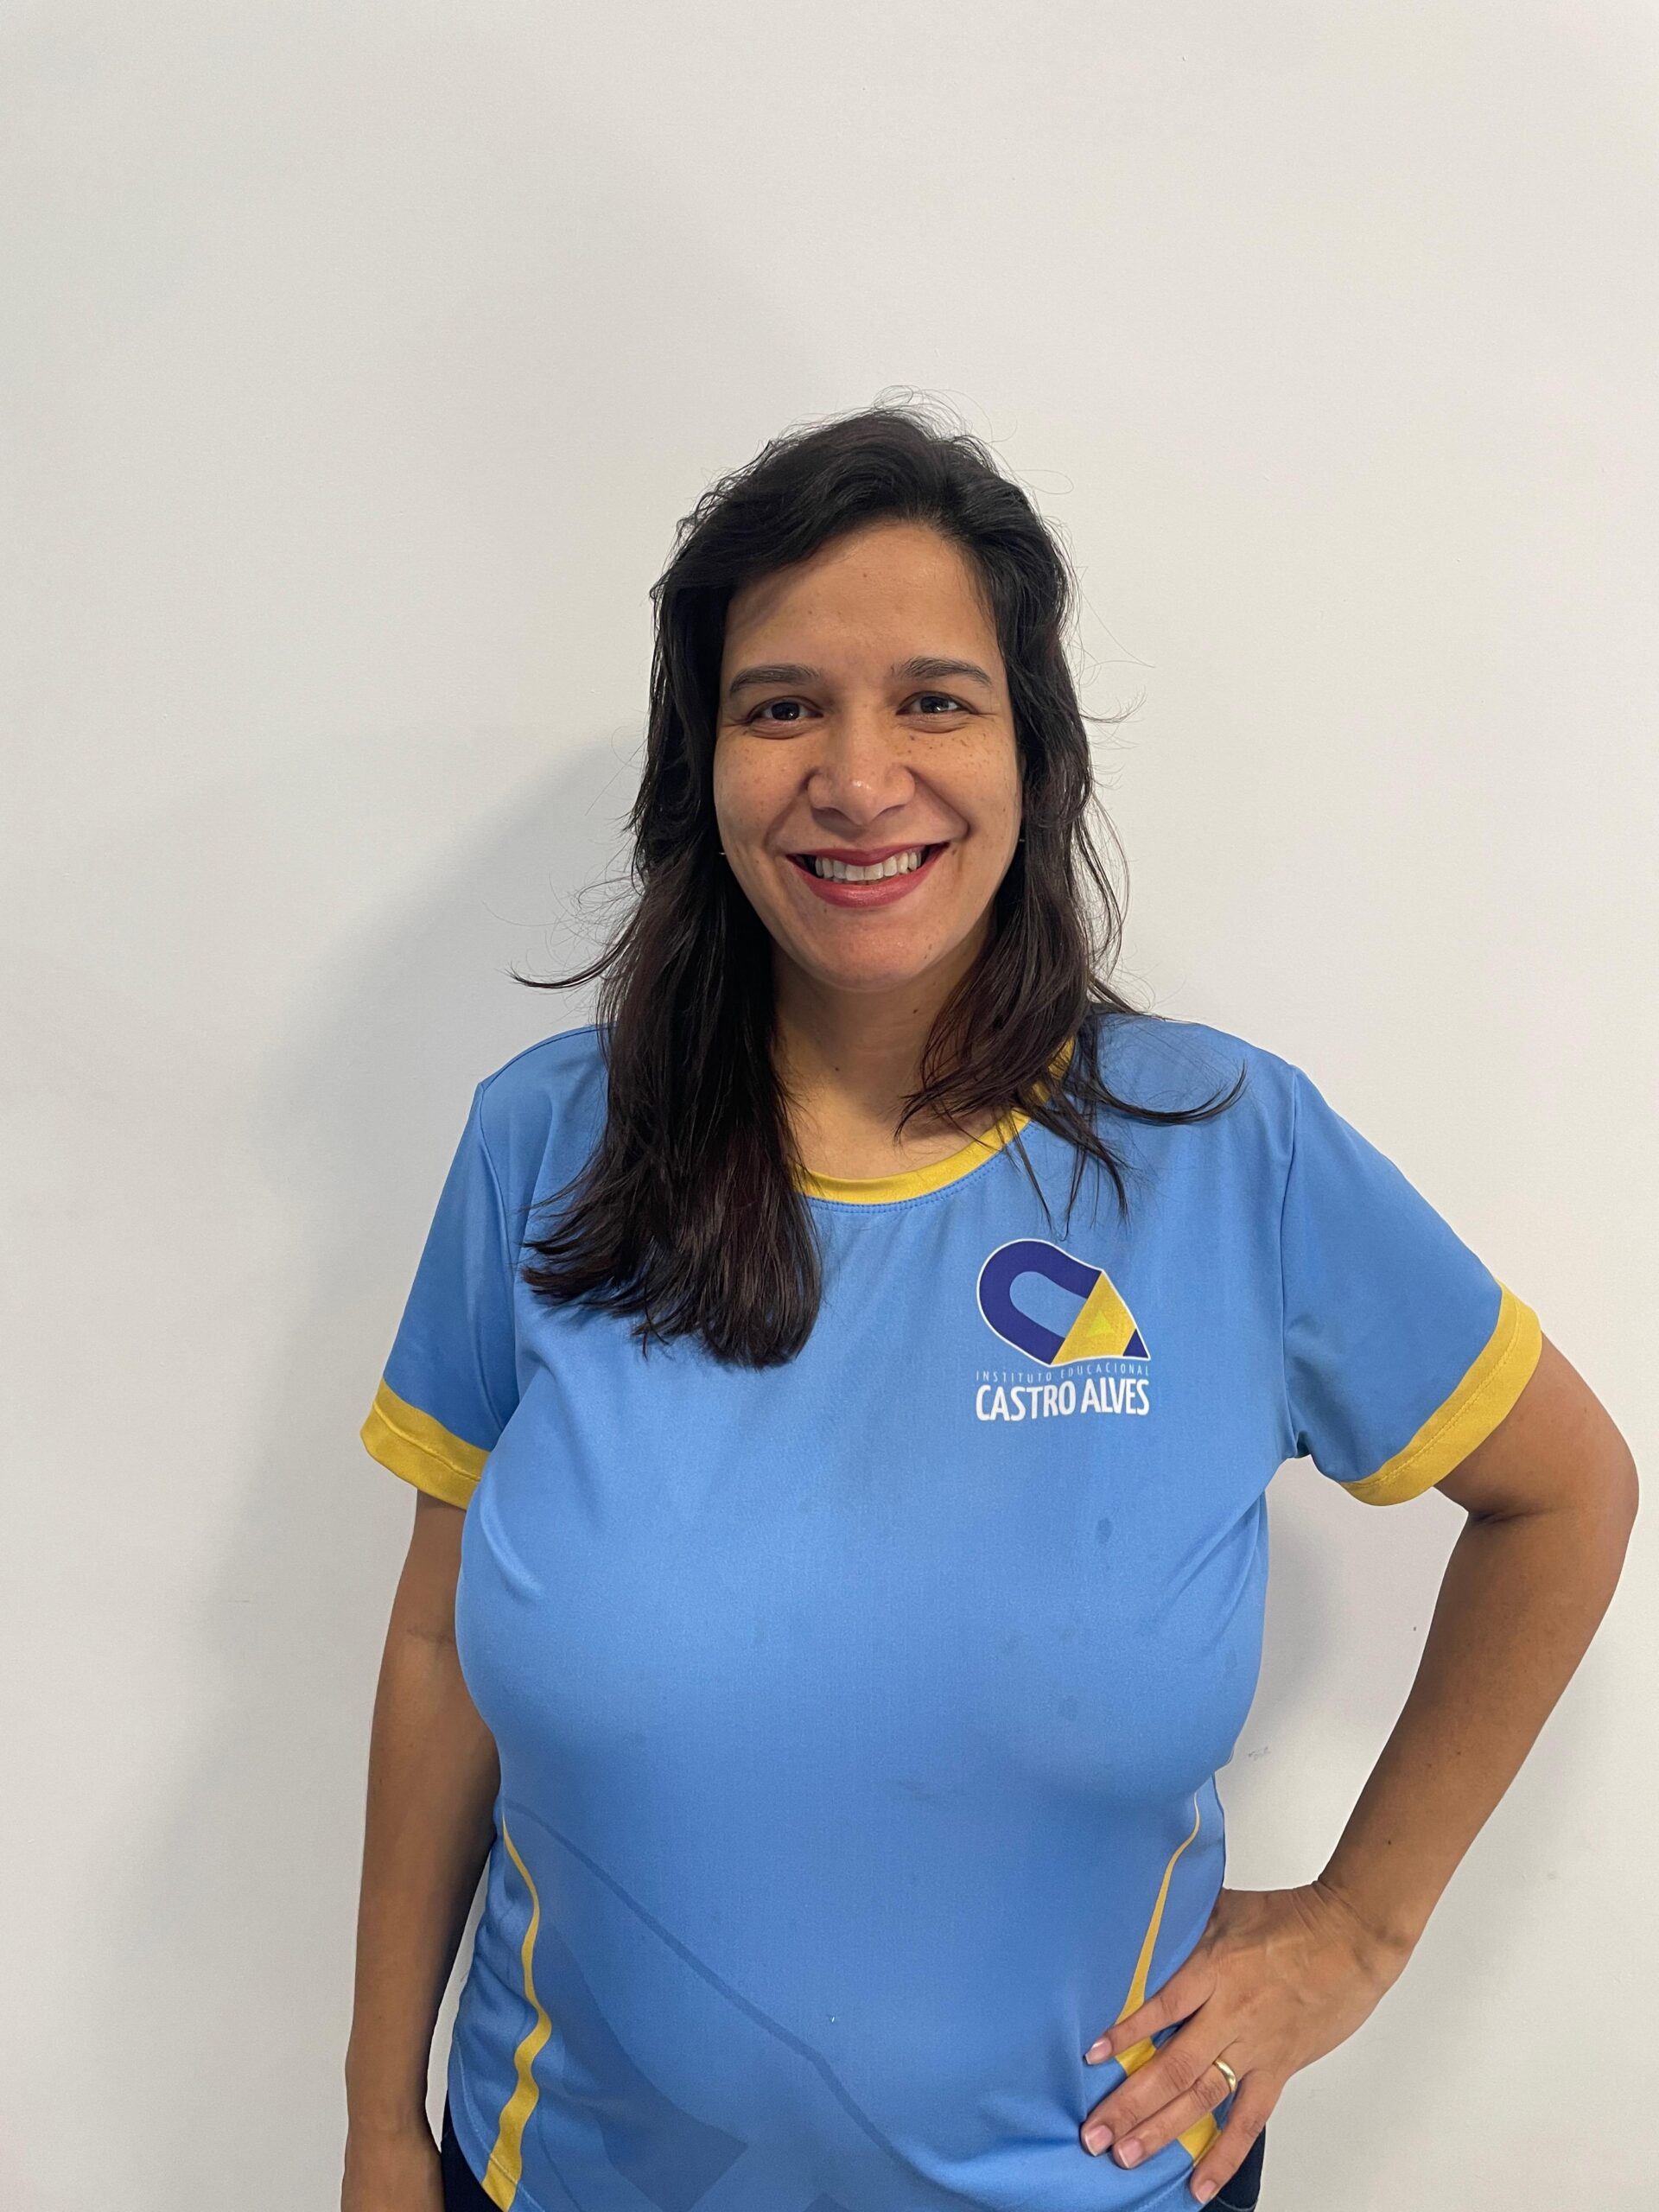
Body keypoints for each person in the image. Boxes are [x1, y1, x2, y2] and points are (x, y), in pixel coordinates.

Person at [340, 403, 1637, 2212]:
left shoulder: (1230, 1154)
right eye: (781, 706)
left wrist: (1362, 1924)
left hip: (1094, 2182)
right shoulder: (544, 1146)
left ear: (1034, 746)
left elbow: (1568, 1490)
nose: (859, 777)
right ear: (699, 761)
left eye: (934, 700)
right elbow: (435, 1645)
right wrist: (381, 2124)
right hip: (560, 2175)